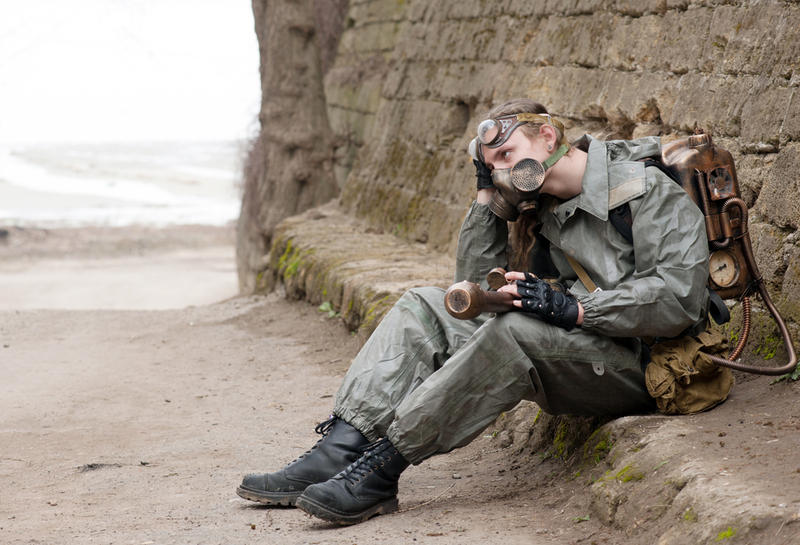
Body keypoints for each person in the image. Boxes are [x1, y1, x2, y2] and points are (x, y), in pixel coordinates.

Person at [236, 98, 710, 525]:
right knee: (422, 306)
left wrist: (573, 308)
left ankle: (381, 470)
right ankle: (338, 450)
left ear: (548, 137)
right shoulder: (541, 205)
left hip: (648, 363)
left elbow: (678, 299)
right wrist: (489, 197)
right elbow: (469, 290)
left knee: (514, 333)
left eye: (507, 155)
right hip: (582, 345)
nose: (502, 169)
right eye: (490, 164)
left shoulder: (645, 190)